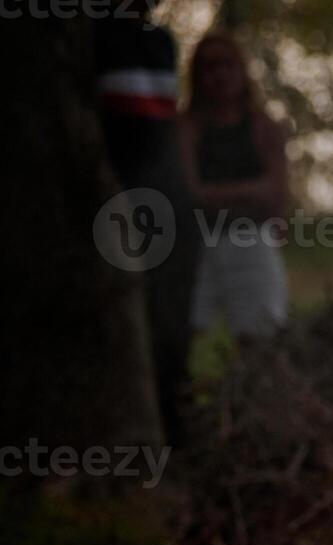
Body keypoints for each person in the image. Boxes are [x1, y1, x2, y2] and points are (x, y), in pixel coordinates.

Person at [94, 0, 199, 443]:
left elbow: (166, 122)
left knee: (171, 319)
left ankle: (172, 422)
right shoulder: (93, 38)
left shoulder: (161, 42)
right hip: (113, 200)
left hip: (167, 202)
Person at [178, 34, 290, 338]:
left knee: (261, 338)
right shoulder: (186, 128)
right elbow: (191, 194)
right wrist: (253, 190)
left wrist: (214, 194)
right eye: (210, 67)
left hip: (251, 240)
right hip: (195, 244)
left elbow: (276, 192)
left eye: (228, 65)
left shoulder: (263, 126)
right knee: (177, 334)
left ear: (241, 71)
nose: (220, 75)